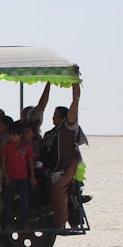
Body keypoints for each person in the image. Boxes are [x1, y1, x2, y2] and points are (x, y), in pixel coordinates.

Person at [46, 83, 84, 228]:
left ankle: (60, 223)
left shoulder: (69, 126)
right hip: (59, 166)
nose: (53, 118)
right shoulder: (52, 133)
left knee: (58, 190)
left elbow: (74, 107)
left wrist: (76, 91)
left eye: (55, 115)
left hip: (69, 166)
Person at [1, 121, 37, 228]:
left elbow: (30, 161)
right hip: (11, 177)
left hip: (23, 177)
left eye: (14, 135)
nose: (11, 137)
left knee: (25, 200)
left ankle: (24, 222)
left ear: (20, 135)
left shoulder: (26, 147)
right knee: (9, 201)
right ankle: (7, 222)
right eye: (10, 135)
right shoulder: (7, 146)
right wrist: (6, 176)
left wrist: (32, 176)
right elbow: (3, 161)